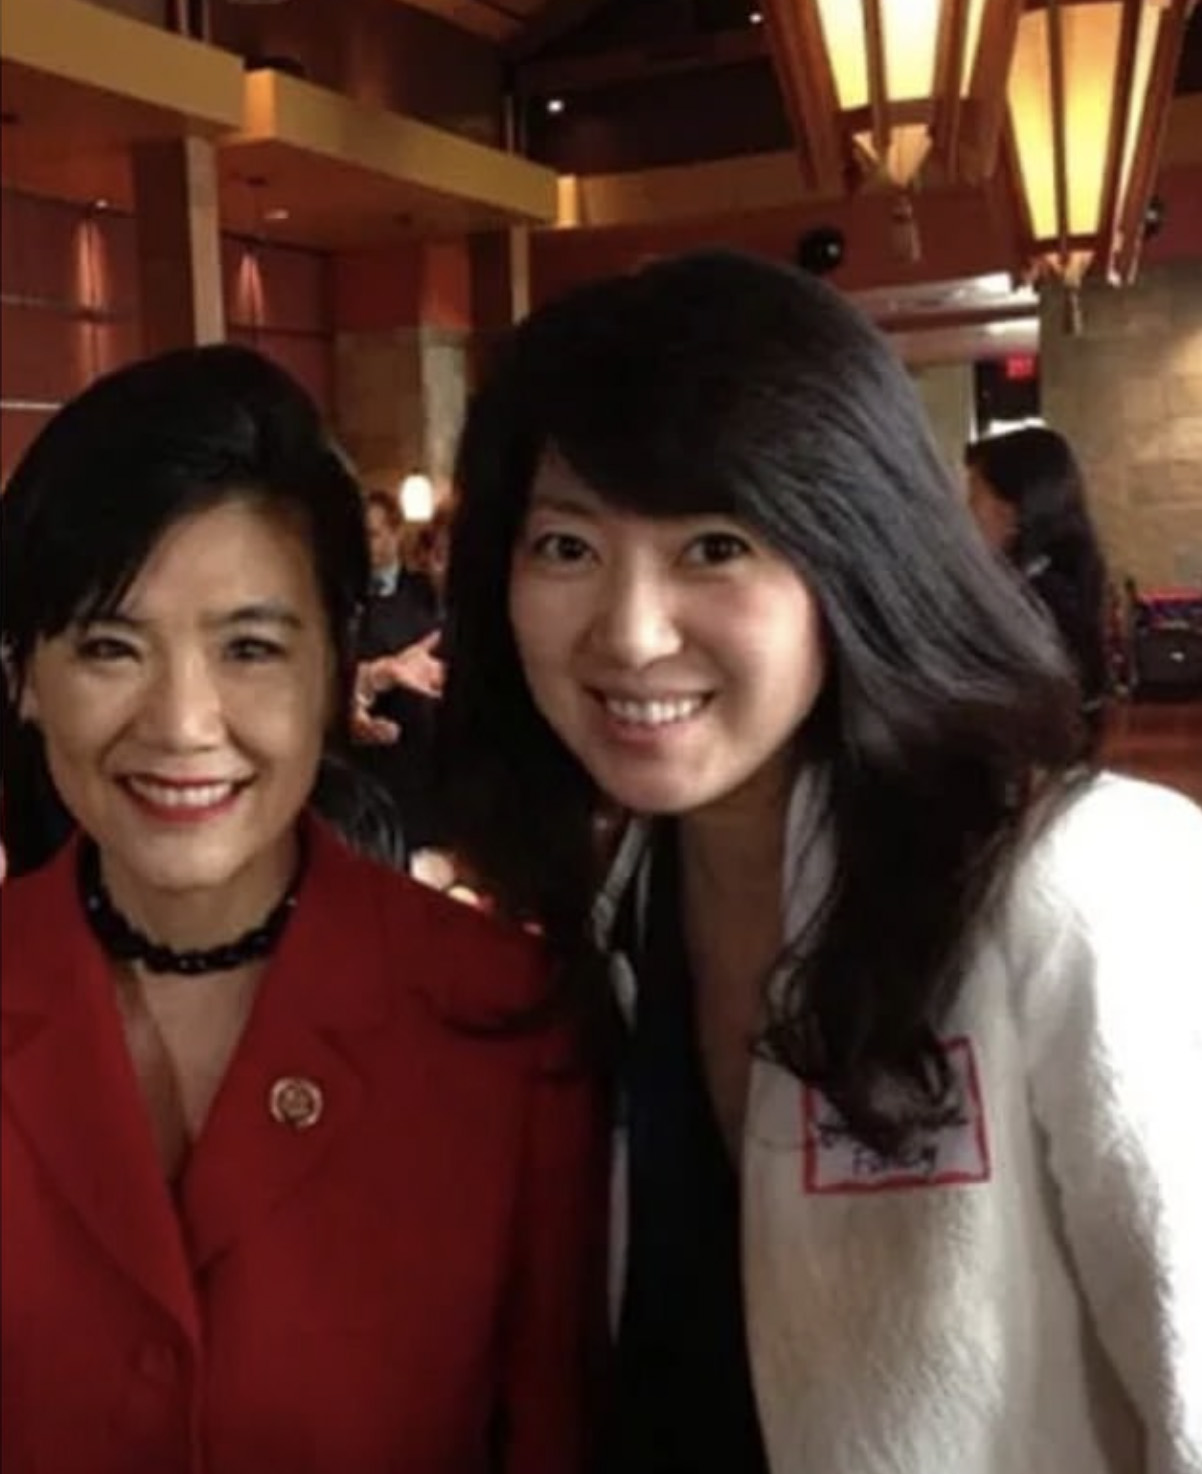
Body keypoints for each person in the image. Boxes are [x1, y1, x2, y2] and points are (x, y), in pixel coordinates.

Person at [439, 249, 1202, 1474]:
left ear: (851, 556)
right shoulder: (605, 914)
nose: (629, 631)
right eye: (567, 548)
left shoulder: (1081, 888)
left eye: (715, 545)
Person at [0, 344, 603, 1474]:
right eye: (109, 646)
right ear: (26, 676)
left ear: (339, 668)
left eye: (250, 648)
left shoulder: (507, 1024)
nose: (183, 722)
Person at [964, 425, 1110, 750]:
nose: (965, 511)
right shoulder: (1053, 583)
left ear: (1013, 511)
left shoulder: (1040, 603)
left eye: (975, 495)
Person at [351, 489, 447, 852]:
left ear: (396, 532)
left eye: (373, 534)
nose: (366, 546)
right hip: (379, 767)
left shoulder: (425, 594)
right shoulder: (351, 602)